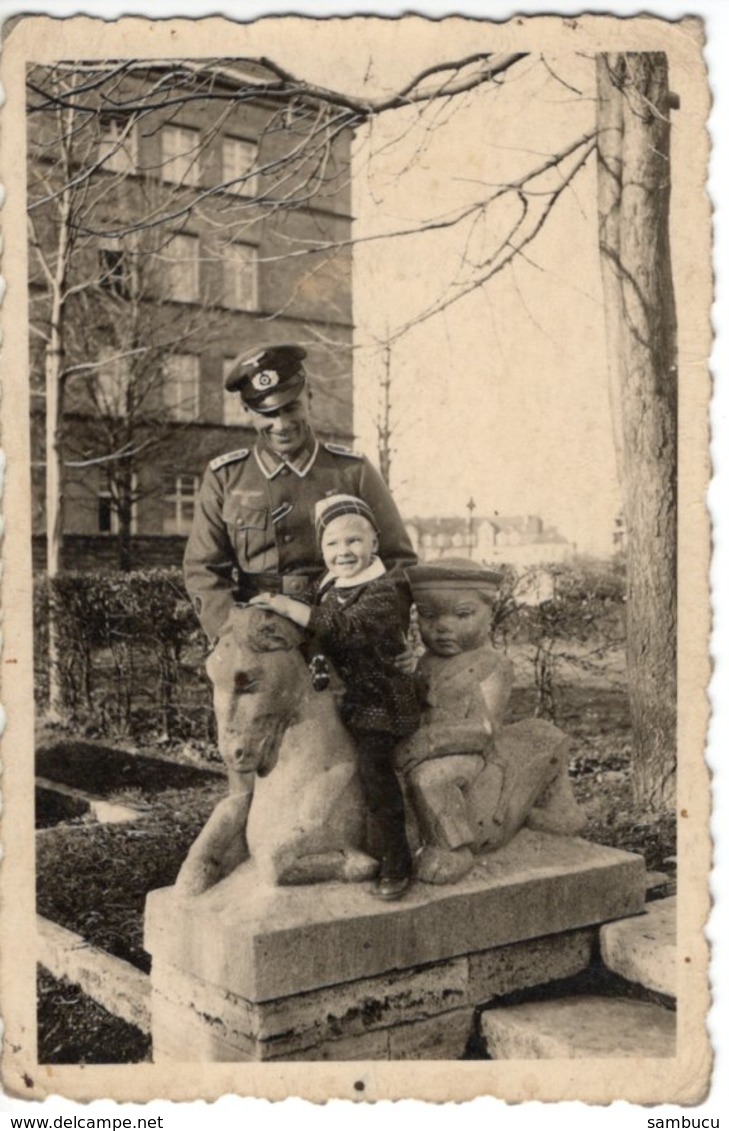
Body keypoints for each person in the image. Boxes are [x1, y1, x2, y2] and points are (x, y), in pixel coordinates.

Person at [184, 343, 417, 645]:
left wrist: (379, 632)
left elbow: (398, 560)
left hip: (340, 631)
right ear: (246, 412)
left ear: (309, 398)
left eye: (291, 407)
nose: (281, 424)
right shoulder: (225, 477)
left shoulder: (351, 471)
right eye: (266, 413)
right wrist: (232, 634)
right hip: (256, 634)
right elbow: (203, 569)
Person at [250, 494, 420, 901]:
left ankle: (396, 862)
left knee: (375, 769)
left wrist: (292, 609)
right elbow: (306, 628)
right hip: (336, 694)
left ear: (374, 544)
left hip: (379, 697)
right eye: (332, 544)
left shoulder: (383, 591)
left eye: (354, 542)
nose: (343, 552)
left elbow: (346, 627)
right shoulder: (326, 585)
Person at [396, 559, 585, 885]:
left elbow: (484, 729)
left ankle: (452, 848)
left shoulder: (493, 665)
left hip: (470, 756)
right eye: (428, 616)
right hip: (428, 746)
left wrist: (427, 743)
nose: (442, 627)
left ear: (489, 613)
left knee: (430, 779)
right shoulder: (427, 662)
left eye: (462, 615)